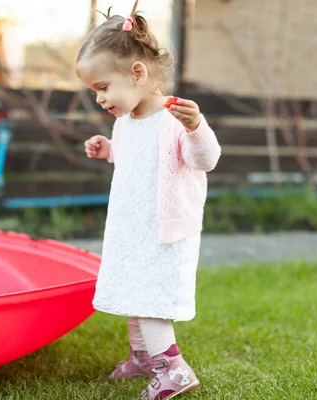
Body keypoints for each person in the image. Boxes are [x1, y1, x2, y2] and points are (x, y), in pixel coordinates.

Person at [77, 1, 221, 398]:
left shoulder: (175, 118)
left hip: (162, 231)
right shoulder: (125, 122)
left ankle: (173, 368)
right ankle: (143, 358)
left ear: (137, 73)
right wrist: (107, 148)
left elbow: (204, 160)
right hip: (132, 226)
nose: (99, 99)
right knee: (132, 292)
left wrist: (197, 129)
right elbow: (134, 160)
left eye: (103, 88)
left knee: (150, 299)